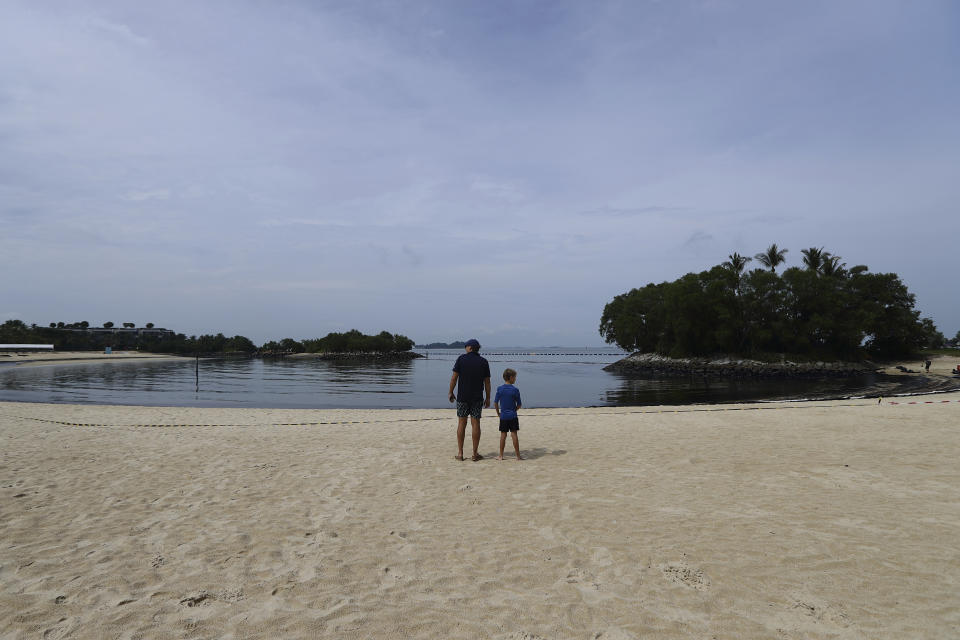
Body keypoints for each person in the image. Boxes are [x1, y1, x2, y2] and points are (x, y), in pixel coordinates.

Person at [448, 339, 491, 461]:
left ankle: (460, 454)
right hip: (477, 398)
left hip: (462, 397)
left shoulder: (461, 359)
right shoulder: (483, 362)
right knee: (475, 423)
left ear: (470, 348)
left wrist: (450, 391)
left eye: (465, 346)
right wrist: (488, 397)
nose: (465, 348)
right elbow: (487, 382)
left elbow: (454, 378)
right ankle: (474, 454)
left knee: (462, 423)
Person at [494, 368, 523, 461]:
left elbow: (495, 402)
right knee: (514, 434)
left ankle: (501, 455)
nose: (515, 379)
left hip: (503, 416)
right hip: (513, 416)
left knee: (503, 435)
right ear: (510, 377)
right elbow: (519, 404)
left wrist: (498, 412)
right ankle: (518, 456)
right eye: (514, 377)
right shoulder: (515, 390)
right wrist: (514, 410)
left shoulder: (500, 389)